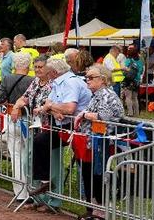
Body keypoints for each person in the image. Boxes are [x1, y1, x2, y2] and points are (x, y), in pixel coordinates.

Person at [29, 57, 91, 213]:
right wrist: (54, 109)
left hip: (80, 128)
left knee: (85, 166)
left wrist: (52, 107)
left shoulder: (70, 82)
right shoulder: (58, 82)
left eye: (48, 72)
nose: (46, 75)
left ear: (54, 72)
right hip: (62, 126)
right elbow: (47, 106)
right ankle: (45, 181)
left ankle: (91, 207)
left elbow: (69, 108)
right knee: (40, 142)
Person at [75, 65, 124, 218]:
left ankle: (100, 211)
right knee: (89, 176)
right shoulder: (96, 94)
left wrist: (84, 114)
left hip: (101, 143)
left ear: (102, 80)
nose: (87, 80)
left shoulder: (107, 94)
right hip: (92, 142)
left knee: (97, 177)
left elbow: (104, 116)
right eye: (86, 77)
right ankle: (93, 209)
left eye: (91, 77)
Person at [11, 55, 51, 205]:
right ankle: (35, 196)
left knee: (47, 163)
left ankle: (47, 200)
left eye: (41, 67)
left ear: (48, 68)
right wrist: (16, 106)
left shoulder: (53, 84)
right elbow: (24, 97)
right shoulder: (35, 82)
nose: (38, 70)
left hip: (48, 127)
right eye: (36, 67)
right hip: (33, 126)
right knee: (28, 160)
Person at [0, 52, 34, 201]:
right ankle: (31, 189)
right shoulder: (33, 81)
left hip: (12, 118)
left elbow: (0, 99)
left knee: (16, 156)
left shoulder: (6, 78)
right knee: (29, 155)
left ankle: (20, 191)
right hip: (29, 119)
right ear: (29, 65)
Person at [122, 45, 143, 117]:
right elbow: (141, 71)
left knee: (128, 97)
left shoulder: (128, 60)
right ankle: (136, 113)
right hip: (137, 80)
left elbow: (125, 70)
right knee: (135, 98)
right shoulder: (140, 61)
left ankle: (130, 113)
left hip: (128, 80)